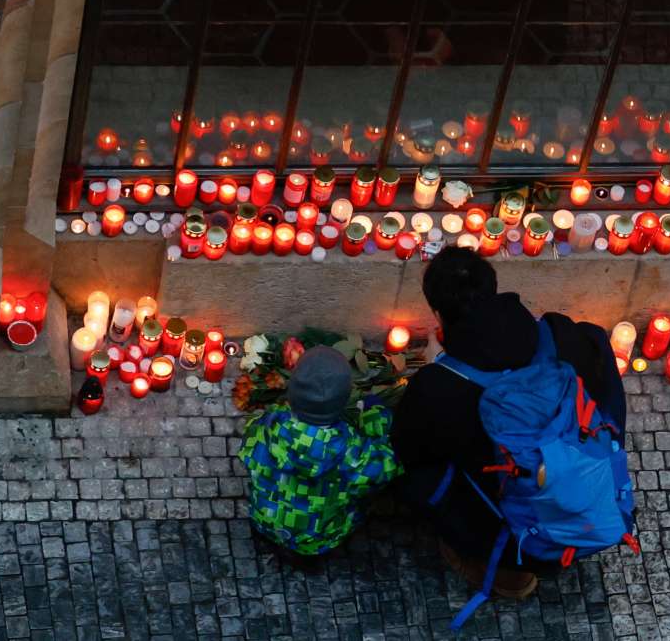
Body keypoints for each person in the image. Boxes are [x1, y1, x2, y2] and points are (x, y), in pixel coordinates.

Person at [392, 247, 628, 599]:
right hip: (589, 488)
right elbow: (610, 400)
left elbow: (408, 447)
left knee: (416, 481)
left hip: (519, 528)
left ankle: (508, 574)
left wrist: (436, 370)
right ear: (493, 287)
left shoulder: (438, 387)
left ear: (438, 313)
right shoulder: (562, 334)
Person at [240, 346, 399, 561]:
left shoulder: (266, 427)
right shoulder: (352, 453)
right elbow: (386, 468)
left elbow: (247, 452)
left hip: (265, 521)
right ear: (343, 402)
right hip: (317, 540)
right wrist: (375, 418)